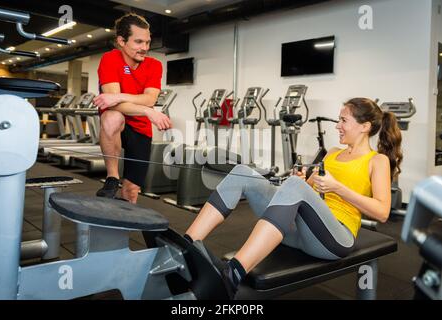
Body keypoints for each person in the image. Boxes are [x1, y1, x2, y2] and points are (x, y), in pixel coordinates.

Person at [184, 97, 402, 298]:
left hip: (335, 238)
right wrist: (300, 181)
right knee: (242, 171)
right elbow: (309, 191)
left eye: (343, 120)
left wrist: (337, 188)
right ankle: (187, 246)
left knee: (296, 185)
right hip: (299, 231)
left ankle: (233, 274)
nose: (337, 125)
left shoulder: (377, 160)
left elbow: (382, 212)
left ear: (365, 127)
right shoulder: (333, 152)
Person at [94, 13, 172, 204]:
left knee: (131, 190)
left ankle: (124, 228)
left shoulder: (154, 65)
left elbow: (149, 98)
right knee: (113, 116)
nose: (145, 48)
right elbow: (116, 106)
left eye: (147, 42)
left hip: (141, 129)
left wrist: (119, 96)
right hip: (119, 122)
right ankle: (112, 178)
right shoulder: (110, 59)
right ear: (121, 41)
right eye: (138, 42)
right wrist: (147, 111)